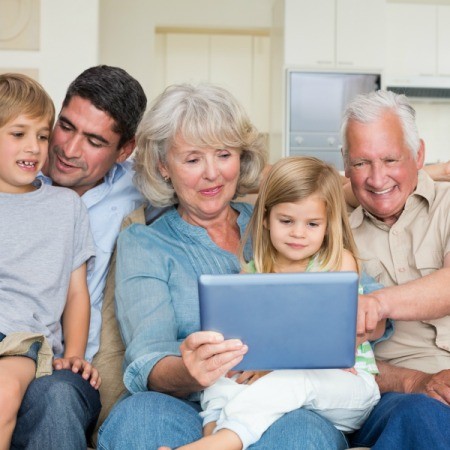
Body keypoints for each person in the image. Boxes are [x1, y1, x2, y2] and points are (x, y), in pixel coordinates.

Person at [97, 84, 356, 450]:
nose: (212, 174)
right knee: (140, 421)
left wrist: (365, 315)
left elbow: (361, 297)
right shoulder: (145, 242)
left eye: (223, 154)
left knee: (303, 434)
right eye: (192, 159)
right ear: (162, 166)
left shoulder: (282, 221)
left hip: (283, 402)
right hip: (183, 404)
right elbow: (147, 357)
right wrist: (189, 370)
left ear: (242, 157)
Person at [158, 156, 382, 450]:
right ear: (265, 218)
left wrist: (270, 369)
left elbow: (332, 340)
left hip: (345, 385)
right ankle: (213, 431)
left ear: (328, 226)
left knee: (289, 381)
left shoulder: (337, 262)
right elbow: (244, 344)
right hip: (275, 388)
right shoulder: (252, 272)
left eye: (312, 223)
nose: (298, 233)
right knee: (221, 377)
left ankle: (223, 442)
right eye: (286, 221)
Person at [11, 65, 147, 449]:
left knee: (55, 398)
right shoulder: (15, 174)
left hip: (61, 371)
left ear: (125, 150)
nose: (69, 150)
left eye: (94, 141)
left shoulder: (141, 190)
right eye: (66, 127)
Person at [341, 90, 450, 449]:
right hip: (396, 394)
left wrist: (378, 303)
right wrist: (414, 381)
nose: (376, 179)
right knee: (421, 414)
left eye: (390, 159)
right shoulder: (325, 230)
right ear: (344, 164)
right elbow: (336, 357)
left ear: (418, 154)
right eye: (360, 163)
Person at [0, 73, 100, 449]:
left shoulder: (64, 206)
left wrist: (73, 354)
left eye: (42, 136)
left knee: (3, 394)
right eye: (18, 134)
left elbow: (76, 293)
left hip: (20, 340)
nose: (34, 147)